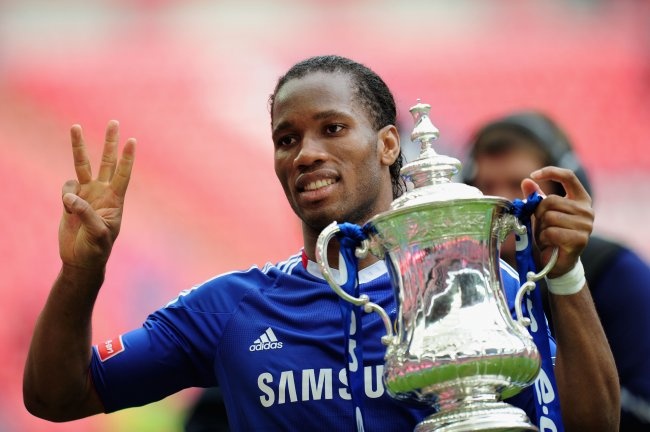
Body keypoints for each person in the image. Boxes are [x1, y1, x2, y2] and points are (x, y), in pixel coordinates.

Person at [23, 55, 619, 431]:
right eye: (286, 139)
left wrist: (566, 276)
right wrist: (81, 273)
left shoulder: (478, 283)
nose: (305, 153)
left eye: (332, 129)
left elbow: (592, 425)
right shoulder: (230, 308)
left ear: (388, 145)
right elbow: (56, 396)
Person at [462, 110, 650, 430]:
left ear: (559, 195)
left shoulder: (617, 270)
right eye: (487, 187)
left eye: (517, 185)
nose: (502, 202)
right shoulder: (465, 278)